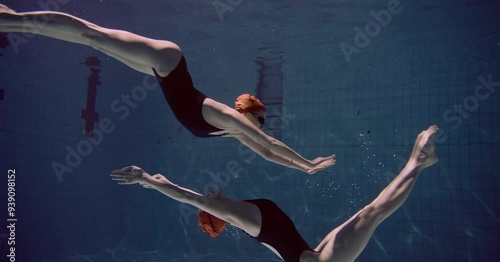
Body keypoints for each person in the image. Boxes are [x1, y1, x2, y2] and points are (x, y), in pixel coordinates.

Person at [0, 4, 335, 174]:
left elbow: (265, 152)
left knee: (97, 42)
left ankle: (14, 19)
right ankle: (11, 20)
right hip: (167, 60)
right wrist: (307, 161)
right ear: (250, 116)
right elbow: (270, 143)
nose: (257, 130)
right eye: (258, 122)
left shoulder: (234, 131)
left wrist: (302, 169)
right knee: (93, 35)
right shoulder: (229, 119)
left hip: (157, 72)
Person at [110, 125, 439, 262]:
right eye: (208, 206)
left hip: (313, 261)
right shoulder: (237, 216)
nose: (208, 197)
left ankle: (420, 162)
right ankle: (418, 161)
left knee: (367, 213)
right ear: (215, 214)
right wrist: (148, 179)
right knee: (373, 213)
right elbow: (186, 195)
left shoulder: (241, 209)